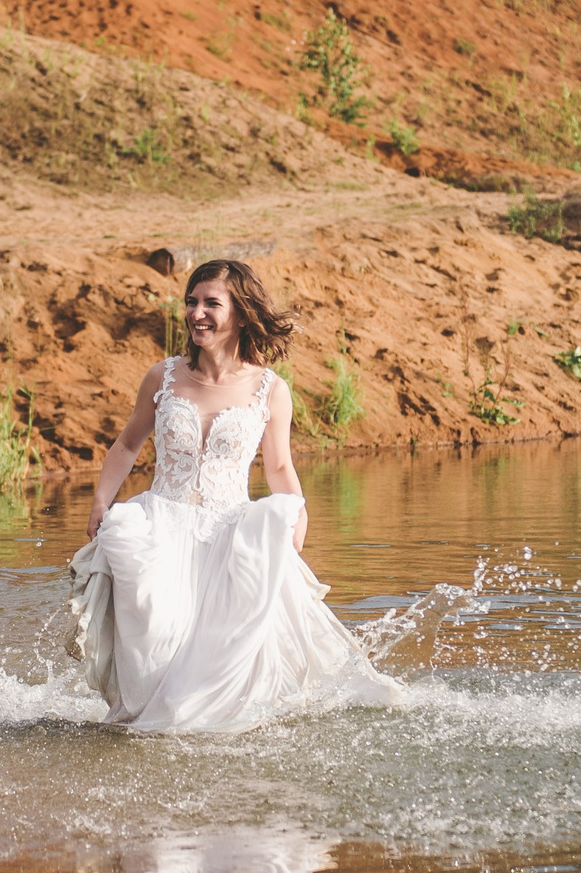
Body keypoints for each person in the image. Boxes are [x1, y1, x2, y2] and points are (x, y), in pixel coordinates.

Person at [69, 259, 397, 733]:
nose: (196, 313)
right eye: (191, 302)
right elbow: (127, 445)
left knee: (219, 643)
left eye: (211, 304)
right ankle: (150, 720)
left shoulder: (270, 390)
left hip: (229, 533)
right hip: (161, 526)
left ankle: (206, 721)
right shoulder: (162, 377)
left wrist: (298, 515)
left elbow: (278, 466)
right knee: (153, 631)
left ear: (240, 314)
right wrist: (102, 500)